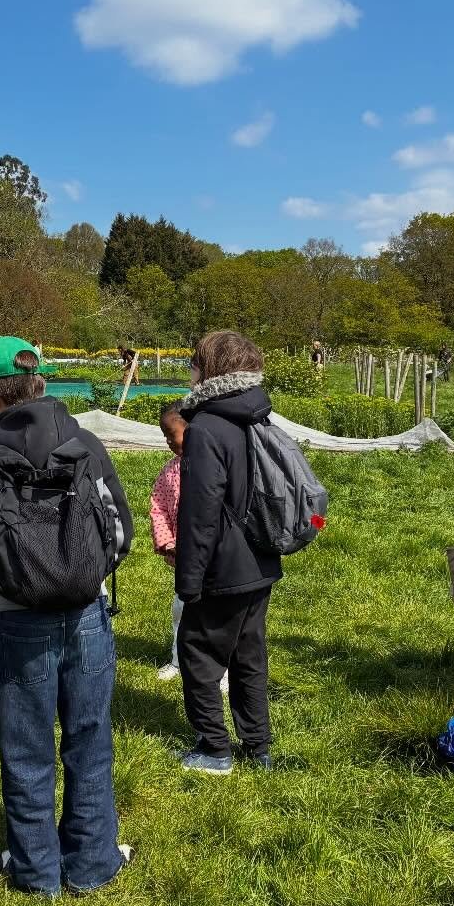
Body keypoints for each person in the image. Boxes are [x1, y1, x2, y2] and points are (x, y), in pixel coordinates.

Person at [0, 337, 134, 896]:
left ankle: (34, 871)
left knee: (26, 745)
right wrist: (88, 575)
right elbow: (120, 531)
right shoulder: (84, 442)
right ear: (43, 383)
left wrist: (7, 589)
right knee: (89, 738)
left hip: (19, 621)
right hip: (86, 614)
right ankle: (93, 862)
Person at [175, 331, 282, 774]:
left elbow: (200, 513)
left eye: (195, 363)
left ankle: (214, 748)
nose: (191, 371)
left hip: (223, 564)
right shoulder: (257, 416)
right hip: (261, 558)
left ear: (212, 370)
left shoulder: (204, 428)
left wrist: (189, 579)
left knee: (198, 652)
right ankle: (258, 747)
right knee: (248, 655)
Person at [150, 400, 228, 692]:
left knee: (220, 615)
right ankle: (178, 659)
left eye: (174, 435)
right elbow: (158, 506)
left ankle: (223, 671)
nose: (170, 442)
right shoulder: (170, 471)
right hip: (185, 559)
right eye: (166, 437)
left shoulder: (215, 466)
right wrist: (167, 541)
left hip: (216, 559)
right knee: (181, 610)